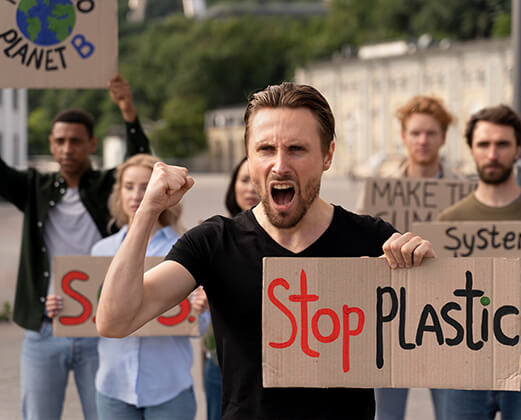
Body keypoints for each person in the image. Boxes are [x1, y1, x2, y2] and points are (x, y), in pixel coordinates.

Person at [96, 82, 436, 420]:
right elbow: (115, 320)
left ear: (328, 155)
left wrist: (427, 268)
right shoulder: (214, 243)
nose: (280, 165)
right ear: (248, 155)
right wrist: (147, 211)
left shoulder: (372, 240)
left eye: (296, 149)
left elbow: (440, 336)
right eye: (266, 149)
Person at [0, 74, 149, 420]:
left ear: (92, 144)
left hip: (97, 327)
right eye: (60, 141)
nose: (68, 149)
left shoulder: (106, 186)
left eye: (76, 141)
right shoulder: (34, 188)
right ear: (51, 145)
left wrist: (128, 111)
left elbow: (140, 165)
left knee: (103, 414)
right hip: (45, 326)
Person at [437, 104, 521, 420]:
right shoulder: (448, 223)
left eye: (502, 144)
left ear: (518, 149)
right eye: (483, 144)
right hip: (464, 372)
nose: (492, 154)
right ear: (472, 149)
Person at [89, 154, 208, 419]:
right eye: (129, 186)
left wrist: (200, 310)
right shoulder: (101, 250)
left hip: (169, 388)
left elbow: (198, 328)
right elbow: (90, 318)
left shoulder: (183, 250)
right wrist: (62, 309)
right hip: (113, 387)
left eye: (145, 187)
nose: (136, 195)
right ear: (119, 192)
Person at [375, 95, 458, 420]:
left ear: (443, 138)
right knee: (386, 414)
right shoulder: (380, 193)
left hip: (449, 318)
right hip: (391, 316)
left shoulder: (463, 193)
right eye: (416, 133)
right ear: (403, 136)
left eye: (431, 133)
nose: (423, 140)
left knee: (452, 412)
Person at [202, 156, 259, 420]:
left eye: (256, 181)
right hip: (219, 361)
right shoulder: (213, 237)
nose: (251, 189)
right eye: (245, 180)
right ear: (233, 185)